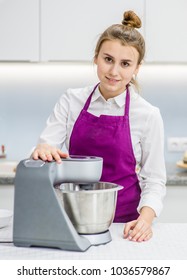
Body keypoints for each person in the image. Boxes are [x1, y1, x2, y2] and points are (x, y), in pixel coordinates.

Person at [32, 10, 166, 242]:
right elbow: (47, 147)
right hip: (70, 220)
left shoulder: (148, 115)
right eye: (108, 59)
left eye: (125, 64)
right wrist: (42, 151)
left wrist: (144, 220)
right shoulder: (70, 100)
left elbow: (154, 179)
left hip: (125, 225)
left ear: (137, 68)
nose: (114, 71)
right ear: (96, 57)